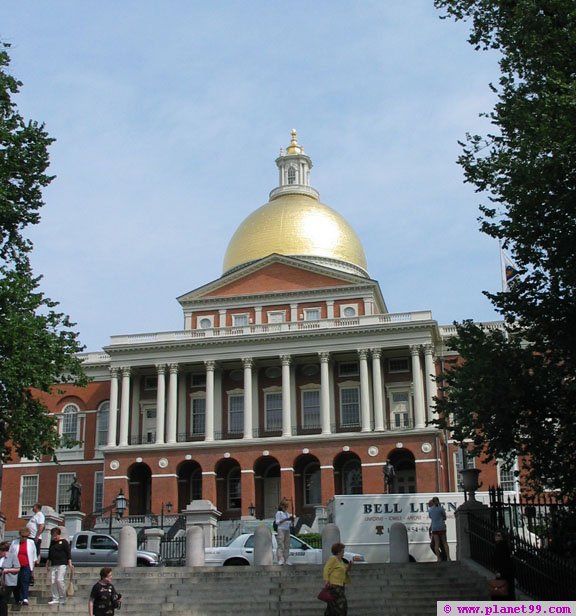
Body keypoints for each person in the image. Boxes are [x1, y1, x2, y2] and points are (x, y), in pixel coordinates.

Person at [9, 528, 37, 606]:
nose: (24, 538)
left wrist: (33, 570)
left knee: (25, 581)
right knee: (16, 583)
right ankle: (18, 599)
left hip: (26, 565)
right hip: (15, 566)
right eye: (22, 536)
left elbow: (34, 557)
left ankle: (25, 598)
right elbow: (10, 554)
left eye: (26, 536)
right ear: (20, 535)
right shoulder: (14, 543)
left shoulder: (31, 543)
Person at [322, 542, 352, 616]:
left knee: (332, 606)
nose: (343, 552)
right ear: (338, 551)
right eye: (342, 550)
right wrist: (326, 580)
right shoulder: (333, 559)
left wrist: (349, 566)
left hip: (341, 586)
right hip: (334, 587)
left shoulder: (341, 561)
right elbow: (326, 569)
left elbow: (345, 571)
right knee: (341, 606)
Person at [46, 526, 73, 605]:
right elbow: (50, 553)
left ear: (59, 534)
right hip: (54, 564)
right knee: (53, 581)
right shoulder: (52, 543)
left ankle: (62, 597)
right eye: (53, 535)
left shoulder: (64, 542)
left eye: (55, 535)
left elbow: (68, 553)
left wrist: (70, 563)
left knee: (59, 580)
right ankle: (55, 598)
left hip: (62, 564)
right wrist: (47, 563)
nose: (54, 537)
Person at [492, 530, 515, 600]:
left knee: (501, 591)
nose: (496, 537)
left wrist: (499, 571)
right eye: (496, 535)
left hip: (503, 572)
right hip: (506, 572)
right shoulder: (503, 545)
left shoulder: (501, 546)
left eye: (498, 535)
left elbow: (501, 560)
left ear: (502, 537)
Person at [0, 540, 20, 616]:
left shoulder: (12, 556)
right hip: (1, 582)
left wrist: (6, 570)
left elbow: (17, 568)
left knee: (3, 601)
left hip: (9, 582)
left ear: (4, 551)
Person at [428, 497, 450, 562]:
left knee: (436, 544)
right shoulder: (441, 508)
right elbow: (445, 517)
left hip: (435, 528)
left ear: (433, 502)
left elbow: (431, 517)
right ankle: (448, 557)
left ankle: (438, 558)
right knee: (444, 542)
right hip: (442, 527)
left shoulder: (430, 510)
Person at [274, 498, 294, 565]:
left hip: (287, 529)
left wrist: (291, 520)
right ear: (282, 506)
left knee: (287, 545)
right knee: (281, 544)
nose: (286, 508)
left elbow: (290, 523)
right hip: (281, 529)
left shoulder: (287, 513)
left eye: (287, 507)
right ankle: (280, 558)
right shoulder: (279, 513)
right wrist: (286, 519)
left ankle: (286, 559)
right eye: (285, 507)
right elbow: (277, 522)